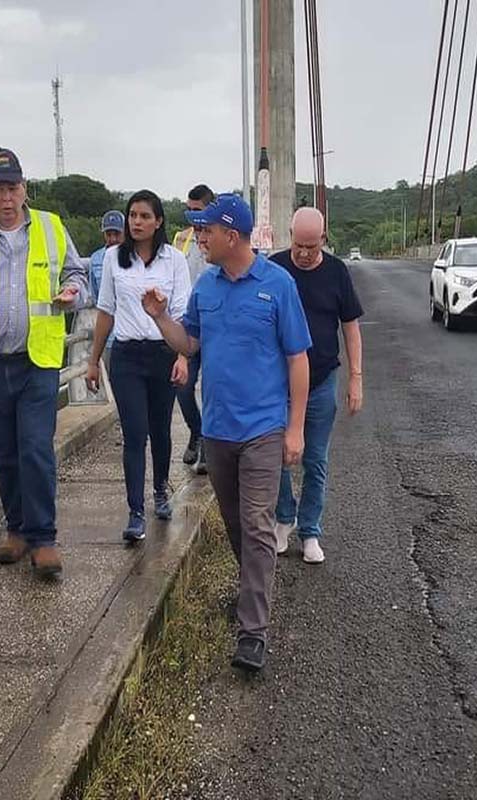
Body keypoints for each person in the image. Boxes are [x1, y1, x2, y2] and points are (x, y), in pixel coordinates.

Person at [143, 193, 311, 673]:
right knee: (237, 525)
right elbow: (190, 342)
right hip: (218, 429)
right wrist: (160, 318)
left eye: (205, 230)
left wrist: (295, 428)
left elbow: (298, 358)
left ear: (231, 235)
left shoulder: (277, 286)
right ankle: (250, 595)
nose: (199, 237)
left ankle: (252, 631)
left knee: (257, 525)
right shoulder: (207, 287)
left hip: (263, 427)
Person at [0, 147, 88, 580]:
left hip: (39, 359)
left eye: (12, 187)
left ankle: (44, 538)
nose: (6, 197)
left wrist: (72, 292)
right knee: (4, 453)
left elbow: (77, 274)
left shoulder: (50, 227)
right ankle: (16, 530)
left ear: (24, 188)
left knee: (35, 448)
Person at [86, 191, 191, 541]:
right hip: (127, 357)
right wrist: (93, 361)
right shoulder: (115, 259)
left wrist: (181, 357)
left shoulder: (174, 260)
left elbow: (182, 315)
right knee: (134, 434)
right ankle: (135, 512)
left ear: (158, 221)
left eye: (145, 216)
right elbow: (105, 312)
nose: (137, 222)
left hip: (163, 352)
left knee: (160, 430)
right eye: (133, 215)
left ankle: (160, 491)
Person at [269, 207, 365, 565]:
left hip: (323, 378)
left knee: (314, 458)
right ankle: (283, 519)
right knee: (278, 453)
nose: (304, 253)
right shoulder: (275, 269)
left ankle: (310, 531)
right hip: (279, 382)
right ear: (290, 236)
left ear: (323, 239)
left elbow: (350, 328)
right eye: (298, 245)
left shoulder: (337, 272)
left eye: (311, 246)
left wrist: (356, 378)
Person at [171, 184, 216, 474]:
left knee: (211, 391)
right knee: (183, 389)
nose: (192, 216)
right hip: (188, 327)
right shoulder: (181, 240)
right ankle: (196, 431)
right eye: (189, 210)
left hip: (214, 328)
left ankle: (209, 450)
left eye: (197, 211)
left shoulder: (220, 238)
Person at [89, 209, 125, 299]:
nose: (113, 239)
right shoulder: (95, 258)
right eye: (108, 234)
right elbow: (94, 293)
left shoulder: (135, 256)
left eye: (117, 234)